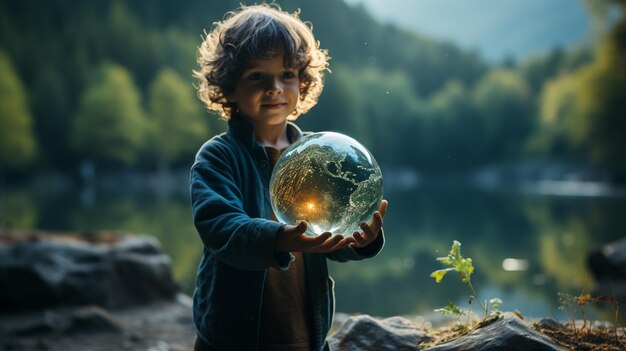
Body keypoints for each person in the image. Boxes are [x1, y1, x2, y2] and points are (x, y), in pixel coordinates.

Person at [190, 4, 388, 351]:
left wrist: (360, 240)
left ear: (303, 82)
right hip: (233, 338)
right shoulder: (218, 156)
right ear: (229, 86)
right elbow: (220, 227)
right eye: (256, 76)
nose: (274, 88)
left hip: (306, 333)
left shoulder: (319, 156)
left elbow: (327, 236)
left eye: (286, 74)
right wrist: (280, 238)